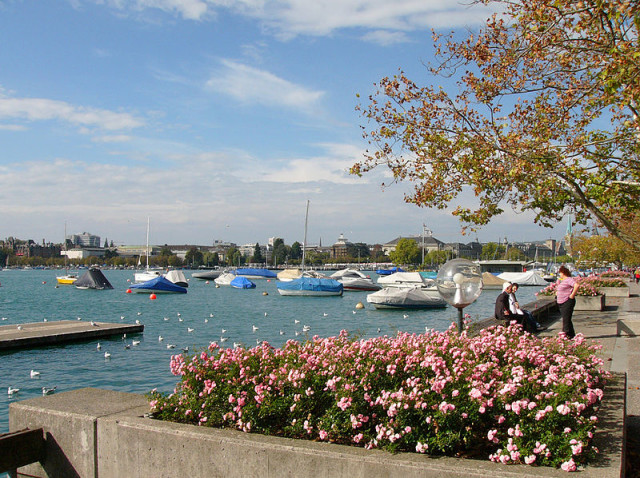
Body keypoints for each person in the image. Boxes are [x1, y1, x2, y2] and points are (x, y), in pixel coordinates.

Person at [556, 265, 580, 339]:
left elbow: (577, 285)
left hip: (567, 301)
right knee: (567, 318)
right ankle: (571, 334)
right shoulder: (563, 281)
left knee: (566, 319)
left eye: (560, 273)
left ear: (563, 273)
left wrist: (572, 295)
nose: (560, 274)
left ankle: (565, 334)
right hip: (561, 302)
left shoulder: (569, 279)